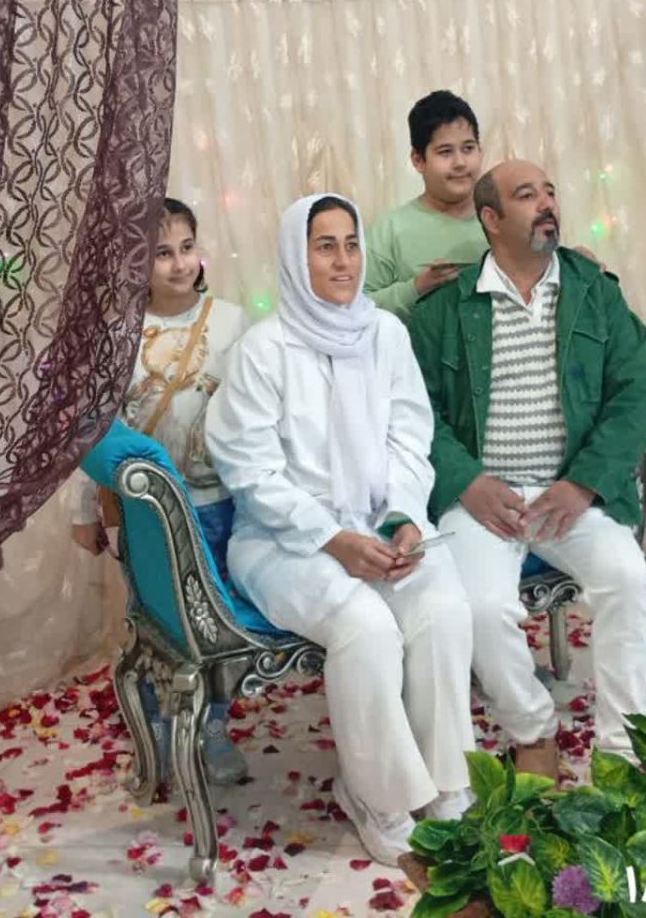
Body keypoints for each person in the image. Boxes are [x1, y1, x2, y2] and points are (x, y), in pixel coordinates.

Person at [206, 194, 476, 864]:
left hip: (381, 526)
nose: (344, 261)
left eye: (351, 244)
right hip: (282, 542)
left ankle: (446, 784)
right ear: (295, 257)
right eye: (324, 246)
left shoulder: (385, 334)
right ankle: (376, 796)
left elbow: (410, 437)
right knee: (365, 625)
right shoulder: (262, 350)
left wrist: (402, 518)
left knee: (443, 607)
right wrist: (333, 540)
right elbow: (250, 471)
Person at [408, 161, 646, 779]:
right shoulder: (444, 310)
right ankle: (532, 733)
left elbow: (636, 392)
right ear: (491, 219)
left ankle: (622, 755)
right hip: (482, 498)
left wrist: (583, 483)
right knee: (480, 608)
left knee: (628, 581)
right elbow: (414, 411)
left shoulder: (594, 291)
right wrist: (468, 481)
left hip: (570, 492)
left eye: (550, 191)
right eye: (527, 195)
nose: (547, 203)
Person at [73, 197, 250, 787]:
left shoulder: (231, 322)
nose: (179, 264)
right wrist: (85, 508)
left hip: (219, 502)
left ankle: (216, 725)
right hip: (147, 512)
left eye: (186, 248)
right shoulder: (117, 334)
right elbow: (95, 431)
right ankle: (158, 729)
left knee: (217, 619)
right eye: (161, 253)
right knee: (156, 623)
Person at [364, 90, 488, 322]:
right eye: (445, 152)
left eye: (468, 148)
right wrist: (417, 288)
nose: (460, 163)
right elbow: (357, 308)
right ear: (418, 160)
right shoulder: (390, 229)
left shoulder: (501, 220)